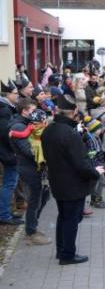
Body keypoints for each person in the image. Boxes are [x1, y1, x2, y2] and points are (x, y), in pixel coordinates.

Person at [42, 95, 103, 265]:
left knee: (63, 217)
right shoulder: (70, 134)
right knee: (71, 220)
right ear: (74, 111)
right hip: (72, 185)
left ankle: (61, 250)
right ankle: (67, 254)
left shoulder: (49, 130)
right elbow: (81, 164)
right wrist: (95, 172)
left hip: (57, 182)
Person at [9, 101, 50, 244]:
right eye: (33, 110)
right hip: (29, 170)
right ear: (24, 111)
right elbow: (29, 151)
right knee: (34, 200)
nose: (35, 113)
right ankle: (31, 233)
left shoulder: (29, 124)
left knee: (43, 197)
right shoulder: (18, 127)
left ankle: (33, 226)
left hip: (36, 169)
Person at [0, 80, 21, 225]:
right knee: (10, 183)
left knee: (10, 182)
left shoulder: (6, 109)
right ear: (7, 95)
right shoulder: (4, 110)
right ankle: (4, 215)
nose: (18, 95)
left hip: (6, 151)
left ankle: (6, 212)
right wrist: (15, 150)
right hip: (7, 152)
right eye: (15, 93)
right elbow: (5, 134)